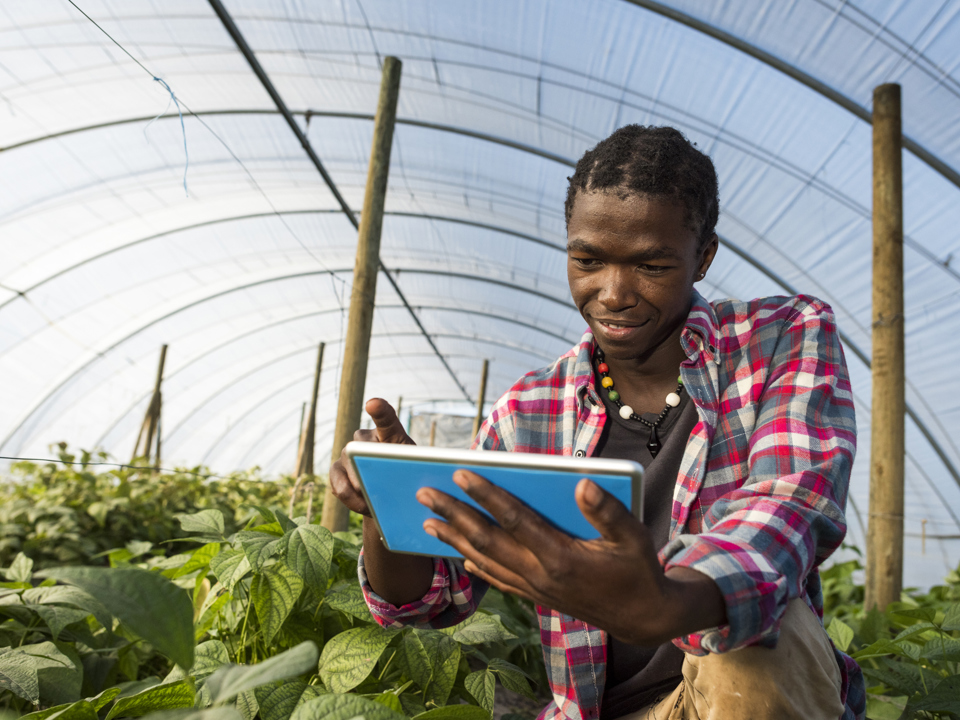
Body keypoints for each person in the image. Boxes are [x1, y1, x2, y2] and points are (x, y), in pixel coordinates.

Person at [329, 125, 865, 720]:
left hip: (736, 700)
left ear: (703, 257)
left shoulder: (778, 341)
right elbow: (430, 601)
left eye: (653, 265)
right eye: (587, 260)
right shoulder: (530, 412)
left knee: (762, 640)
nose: (613, 293)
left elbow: (788, 504)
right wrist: (392, 508)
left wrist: (668, 603)